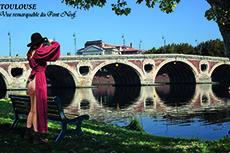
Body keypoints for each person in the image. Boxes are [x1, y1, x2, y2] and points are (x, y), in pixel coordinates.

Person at [24, 32, 60, 144]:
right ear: (39, 42)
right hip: (39, 80)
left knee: (32, 110)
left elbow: (43, 53)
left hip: (31, 81)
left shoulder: (30, 53)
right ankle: (37, 138)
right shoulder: (39, 52)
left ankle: (27, 133)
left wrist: (44, 46)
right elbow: (56, 46)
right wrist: (51, 42)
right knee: (39, 110)